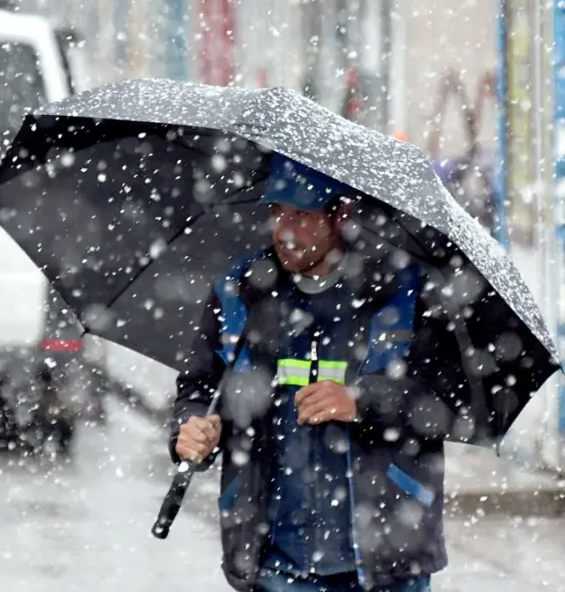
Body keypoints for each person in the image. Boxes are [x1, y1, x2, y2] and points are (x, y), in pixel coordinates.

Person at [170, 153, 469, 592]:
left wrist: (362, 401)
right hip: (275, 566)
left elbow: (448, 401)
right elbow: (198, 389)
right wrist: (191, 429)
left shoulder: (403, 293)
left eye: (302, 215)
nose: (284, 231)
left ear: (340, 215)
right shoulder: (238, 293)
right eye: (277, 212)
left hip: (387, 564)